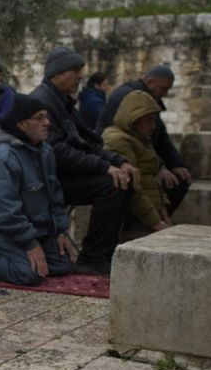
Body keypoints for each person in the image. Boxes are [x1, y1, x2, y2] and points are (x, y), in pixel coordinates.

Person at [28, 46, 136, 274]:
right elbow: (57, 152)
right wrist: (106, 167)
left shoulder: (62, 101)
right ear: (56, 74)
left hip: (62, 175)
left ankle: (105, 252)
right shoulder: (43, 102)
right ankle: (93, 257)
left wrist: (117, 161)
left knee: (124, 178)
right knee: (111, 186)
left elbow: (86, 142)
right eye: (74, 70)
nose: (80, 76)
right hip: (47, 182)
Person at [0, 95, 78, 285]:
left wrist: (59, 230)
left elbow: (54, 196)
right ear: (21, 124)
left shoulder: (44, 151)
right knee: (29, 274)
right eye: (39, 118)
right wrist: (29, 243)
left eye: (46, 117)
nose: (47, 122)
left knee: (64, 265)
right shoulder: (2, 158)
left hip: (34, 229)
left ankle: (24, 249)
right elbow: (4, 211)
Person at [97, 65, 191, 214]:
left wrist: (176, 164)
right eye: (164, 88)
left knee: (180, 178)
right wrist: (159, 167)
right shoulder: (131, 97)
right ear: (151, 82)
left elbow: (159, 136)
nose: (165, 94)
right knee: (169, 184)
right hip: (124, 157)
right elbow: (134, 139)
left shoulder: (147, 98)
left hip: (138, 155)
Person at [102, 91, 173, 234]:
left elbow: (151, 178)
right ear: (133, 119)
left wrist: (162, 208)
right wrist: (155, 222)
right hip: (134, 218)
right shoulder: (118, 140)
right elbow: (133, 186)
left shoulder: (140, 138)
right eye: (148, 120)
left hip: (149, 213)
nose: (153, 126)